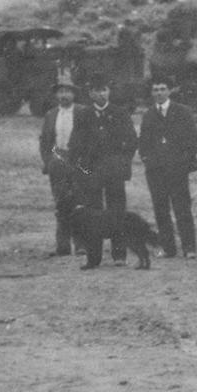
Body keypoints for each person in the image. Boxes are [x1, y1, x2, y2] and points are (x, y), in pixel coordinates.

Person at [67, 78, 138, 268]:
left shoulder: (120, 113)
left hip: (114, 171)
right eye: (96, 91)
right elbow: (75, 146)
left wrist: (122, 164)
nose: (101, 94)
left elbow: (131, 141)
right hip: (92, 172)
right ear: (90, 93)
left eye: (104, 90)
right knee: (92, 213)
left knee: (117, 211)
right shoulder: (83, 114)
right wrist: (82, 171)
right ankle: (94, 257)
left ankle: (119, 254)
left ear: (109, 92)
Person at [138, 80, 197, 259]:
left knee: (182, 208)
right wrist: (147, 160)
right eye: (155, 90)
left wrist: (183, 160)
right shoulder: (149, 115)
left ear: (170, 91)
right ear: (152, 93)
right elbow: (143, 142)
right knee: (161, 209)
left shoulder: (183, 112)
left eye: (162, 89)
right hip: (156, 171)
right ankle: (168, 248)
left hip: (177, 169)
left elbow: (194, 139)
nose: (159, 93)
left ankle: (189, 248)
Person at [38, 75, 86, 257]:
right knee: (61, 204)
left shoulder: (82, 112)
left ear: (74, 94)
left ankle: (81, 244)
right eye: (61, 92)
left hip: (79, 162)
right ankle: (63, 246)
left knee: (79, 203)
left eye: (68, 91)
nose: (64, 95)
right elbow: (45, 141)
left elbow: (90, 139)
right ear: (56, 95)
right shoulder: (51, 115)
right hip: (58, 161)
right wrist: (49, 161)